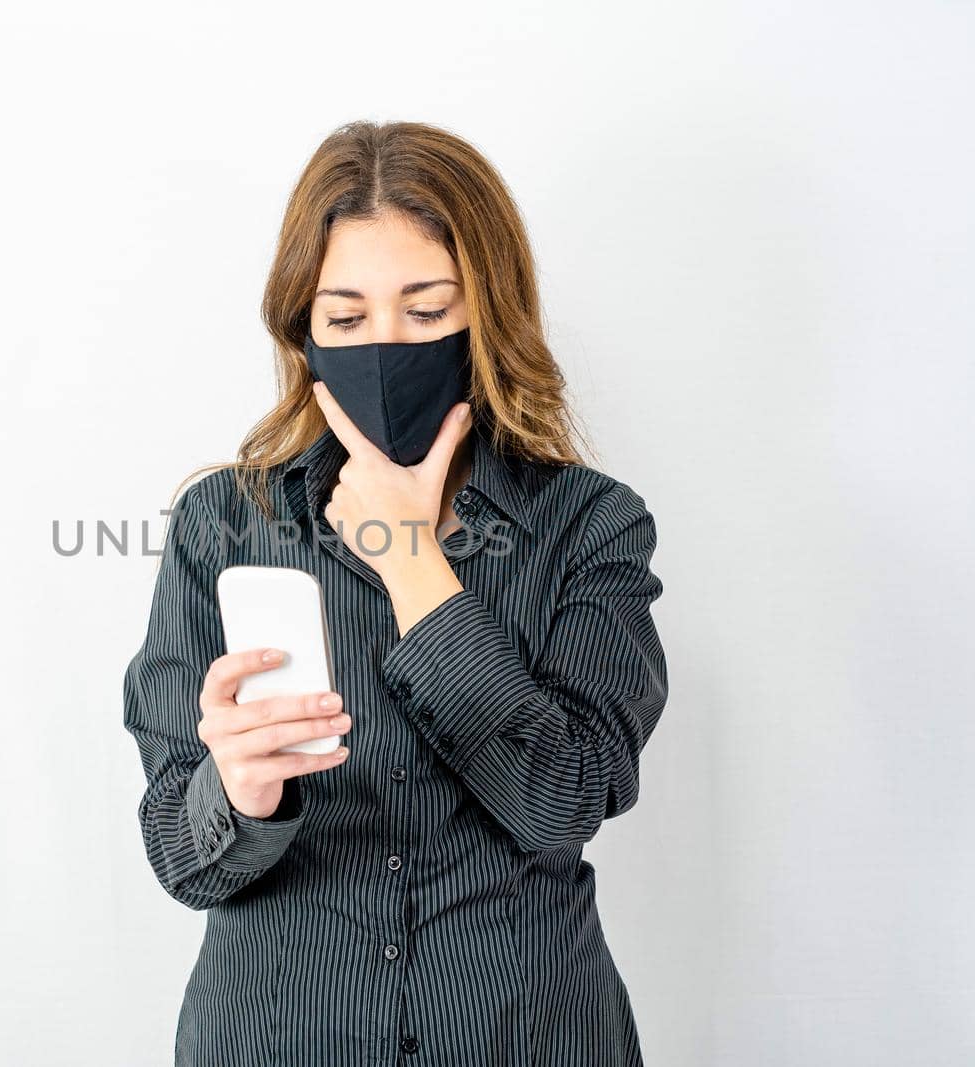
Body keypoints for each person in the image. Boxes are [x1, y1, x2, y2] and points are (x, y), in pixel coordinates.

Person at [122, 119, 669, 1067]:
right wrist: (240, 792)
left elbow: (564, 801)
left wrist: (414, 561)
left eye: (426, 311)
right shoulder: (223, 522)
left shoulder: (592, 523)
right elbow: (181, 853)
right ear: (304, 331)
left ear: (489, 312)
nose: (385, 346)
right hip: (275, 1036)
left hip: (527, 1033)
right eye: (346, 318)